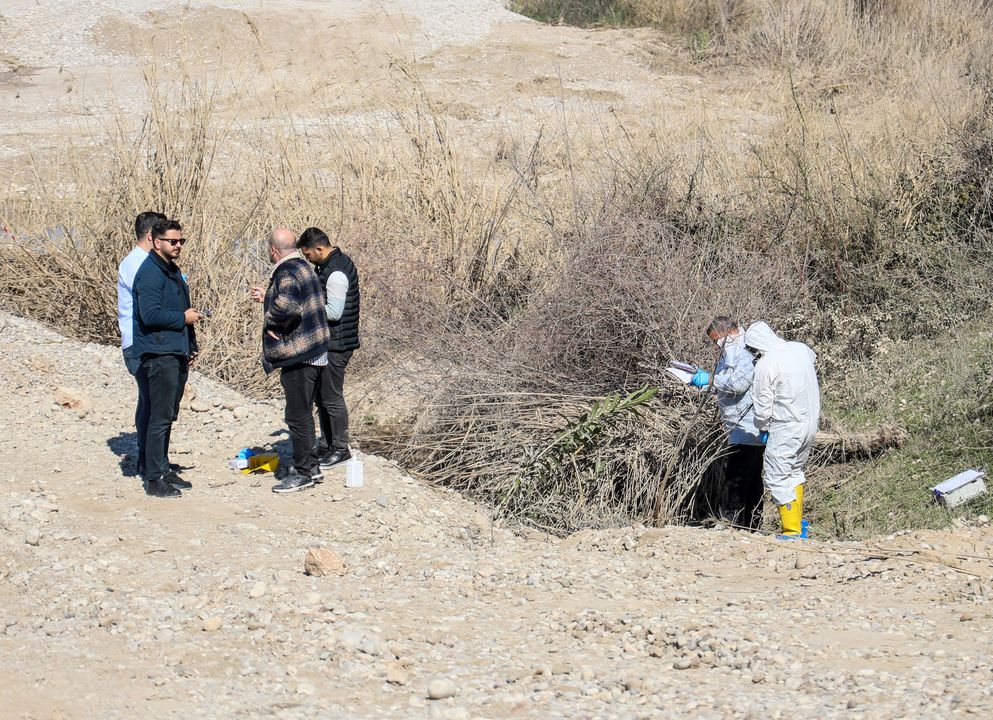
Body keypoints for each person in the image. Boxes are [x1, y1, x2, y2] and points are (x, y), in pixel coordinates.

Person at [250, 228, 331, 494]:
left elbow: (286, 307)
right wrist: (270, 298)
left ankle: (303, 472)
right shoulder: (304, 266)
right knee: (305, 412)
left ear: (273, 250)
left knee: (296, 415)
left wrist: (271, 321)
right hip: (315, 349)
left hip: (299, 352)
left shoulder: (286, 271)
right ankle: (312, 466)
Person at [132, 219, 204, 498]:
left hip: (175, 350)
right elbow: (149, 315)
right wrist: (182, 319)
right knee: (158, 417)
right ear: (155, 241)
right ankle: (153, 478)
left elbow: (181, 308)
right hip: (158, 353)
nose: (178, 246)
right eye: (172, 241)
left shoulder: (171, 270)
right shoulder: (149, 272)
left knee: (167, 415)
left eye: (181, 241)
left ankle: (162, 467)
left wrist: (190, 344)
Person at [743, 321, 820, 538]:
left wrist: (762, 427)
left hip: (786, 425)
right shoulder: (800, 349)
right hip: (809, 422)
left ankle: (792, 531)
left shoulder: (766, 364)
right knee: (794, 472)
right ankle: (799, 527)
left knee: (776, 475)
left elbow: (762, 405)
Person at [690, 316, 764, 529]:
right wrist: (701, 381)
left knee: (737, 475)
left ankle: (733, 522)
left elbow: (739, 384)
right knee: (747, 476)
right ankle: (750, 524)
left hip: (748, 425)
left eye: (717, 341)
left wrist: (711, 379)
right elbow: (724, 382)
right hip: (734, 426)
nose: (716, 346)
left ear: (729, 333)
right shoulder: (729, 354)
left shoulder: (747, 352)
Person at [296, 227, 360, 469]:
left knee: (331, 397)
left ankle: (340, 449)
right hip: (330, 341)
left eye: (308, 255)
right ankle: (326, 444)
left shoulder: (336, 273)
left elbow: (334, 312)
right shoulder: (329, 266)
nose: (307, 259)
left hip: (338, 343)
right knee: (322, 396)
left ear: (320, 249)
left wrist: (305, 306)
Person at [117, 211, 166, 476]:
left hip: (142, 341)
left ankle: (152, 458)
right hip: (140, 343)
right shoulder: (139, 265)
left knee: (149, 401)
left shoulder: (140, 262)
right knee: (151, 403)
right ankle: (150, 463)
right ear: (151, 237)